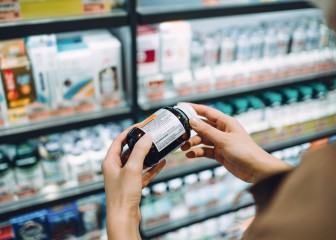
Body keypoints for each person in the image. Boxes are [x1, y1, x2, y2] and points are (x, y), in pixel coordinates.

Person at [102, 1, 336, 239]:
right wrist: (263, 169)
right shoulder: (322, 178)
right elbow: (310, 197)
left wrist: (122, 212)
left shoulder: (321, 193)